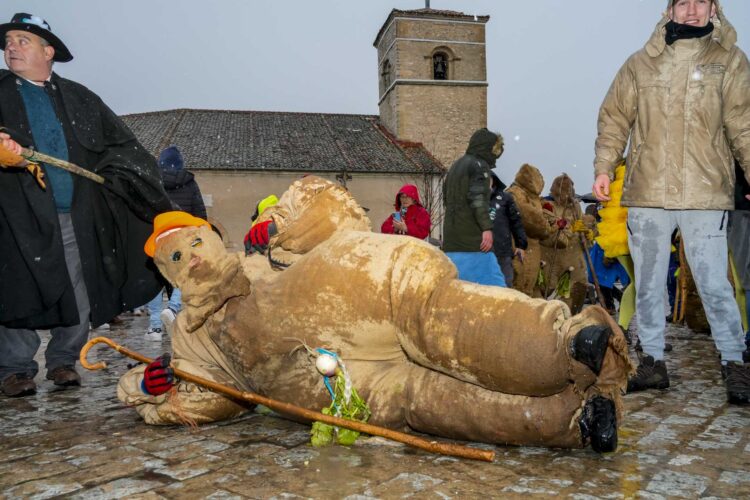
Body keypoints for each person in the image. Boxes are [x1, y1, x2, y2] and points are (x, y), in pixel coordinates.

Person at [117, 176, 631, 453]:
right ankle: (575, 420)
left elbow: (335, 206)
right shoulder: (194, 337)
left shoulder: (264, 253)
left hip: (383, 294)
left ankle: (570, 345)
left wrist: (279, 225)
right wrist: (146, 388)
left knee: (461, 330)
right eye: (177, 259)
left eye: (194, 243)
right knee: (440, 405)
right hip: (348, 385)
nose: (194, 258)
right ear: (169, 275)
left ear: (211, 234)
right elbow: (214, 402)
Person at [0, 13, 171, 397]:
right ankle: (15, 369)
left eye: (22, 40)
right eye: (9, 40)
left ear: (48, 52)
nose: (12, 46)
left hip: (74, 214)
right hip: (15, 215)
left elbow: (122, 147)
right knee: (16, 286)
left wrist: (121, 180)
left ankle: (63, 361)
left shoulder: (80, 98)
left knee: (78, 288)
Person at [592, 0, 750, 404]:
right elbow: (614, 117)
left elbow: (744, 123)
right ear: (670, 9)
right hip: (648, 192)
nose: (692, 10)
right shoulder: (641, 64)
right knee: (646, 284)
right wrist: (604, 168)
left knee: (715, 283)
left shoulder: (729, 61)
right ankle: (652, 362)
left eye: (701, 2)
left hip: (705, 191)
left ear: (714, 8)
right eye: (684, 2)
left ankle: (735, 363)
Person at [145, 145, 207, 341]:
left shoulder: (153, 182)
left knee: (155, 280)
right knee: (182, 275)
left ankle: (155, 327)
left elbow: (146, 209)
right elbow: (199, 210)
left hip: (160, 235)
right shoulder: (189, 182)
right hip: (183, 236)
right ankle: (173, 308)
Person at [442, 128, 506, 286]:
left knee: (458, 290)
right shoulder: (479, 166)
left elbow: (445, 198)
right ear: (489, 148)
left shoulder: (456, 166)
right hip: (473, 243)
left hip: (452, 242)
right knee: (498, 291)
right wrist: (486, 228)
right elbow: (478, 199)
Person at [506, 164, 568, 297]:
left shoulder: (527, 196)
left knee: (526, 290)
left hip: (529, 251)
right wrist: (550, 226)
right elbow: (534, 222)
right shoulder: (517, 194)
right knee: (520, 291)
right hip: (522, 251)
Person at [541, 174, 589, 314]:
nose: (566, 194)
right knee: (546, 286)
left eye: (569, 191)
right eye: (563, 191)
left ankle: (571, 317)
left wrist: (585, 231)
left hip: (573, 254)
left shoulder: (575, 206)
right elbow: (544, 227)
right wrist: (562, 226)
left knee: (578, 286)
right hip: (551, 254)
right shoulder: (547, 204)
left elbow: (581, 223)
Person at [489, 172, 526, 288]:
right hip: (480, 252)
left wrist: (521, 245)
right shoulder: (472, 199)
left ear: (493, 180)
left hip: (502, 251)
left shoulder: (505, 198)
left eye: (487, 179)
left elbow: (516, 222)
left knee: (504, 286)